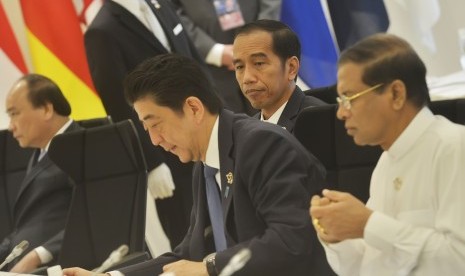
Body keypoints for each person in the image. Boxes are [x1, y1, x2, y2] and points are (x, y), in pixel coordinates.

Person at [63, 53, 327, 276]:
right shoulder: (206, 162)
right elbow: (189, 252)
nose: (154, 140)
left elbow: (291, 239)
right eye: (147, 130)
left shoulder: (261, 145)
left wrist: (208, 267)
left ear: (193, 108)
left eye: (156, 125)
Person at [309, 33, 465, 275]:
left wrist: (367, 223)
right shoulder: (386, 162)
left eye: (349, 98)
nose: (341, 113)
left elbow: (459, 259)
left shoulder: (454, 146)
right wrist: (337, 235)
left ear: (396, 94)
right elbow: (370, 264)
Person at [84, 0, 201, 248]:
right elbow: (119, 107)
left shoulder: (161, 5)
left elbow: (195, 65)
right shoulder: (102, 31)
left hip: (205, 136)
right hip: (166, 152)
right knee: (190, 239)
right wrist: (152, 163)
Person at [1, 74, 82, 272]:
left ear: (46, 109)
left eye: (14, 113)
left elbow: (95, 218)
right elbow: (26, 225)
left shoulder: (80, 146)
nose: (11, 126)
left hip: (61, 266)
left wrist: (38, 255)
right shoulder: (40, 152)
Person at [172, 0, 282, 116]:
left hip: (261, 52)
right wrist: (214, 51)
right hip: (210, 66)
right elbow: (171, 10)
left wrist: (260, 38)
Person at [232, 19, 326, 133]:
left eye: (259, 63)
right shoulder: (244, 131)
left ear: (291, 68)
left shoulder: (320, 120)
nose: (247, 78)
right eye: (240, 67)